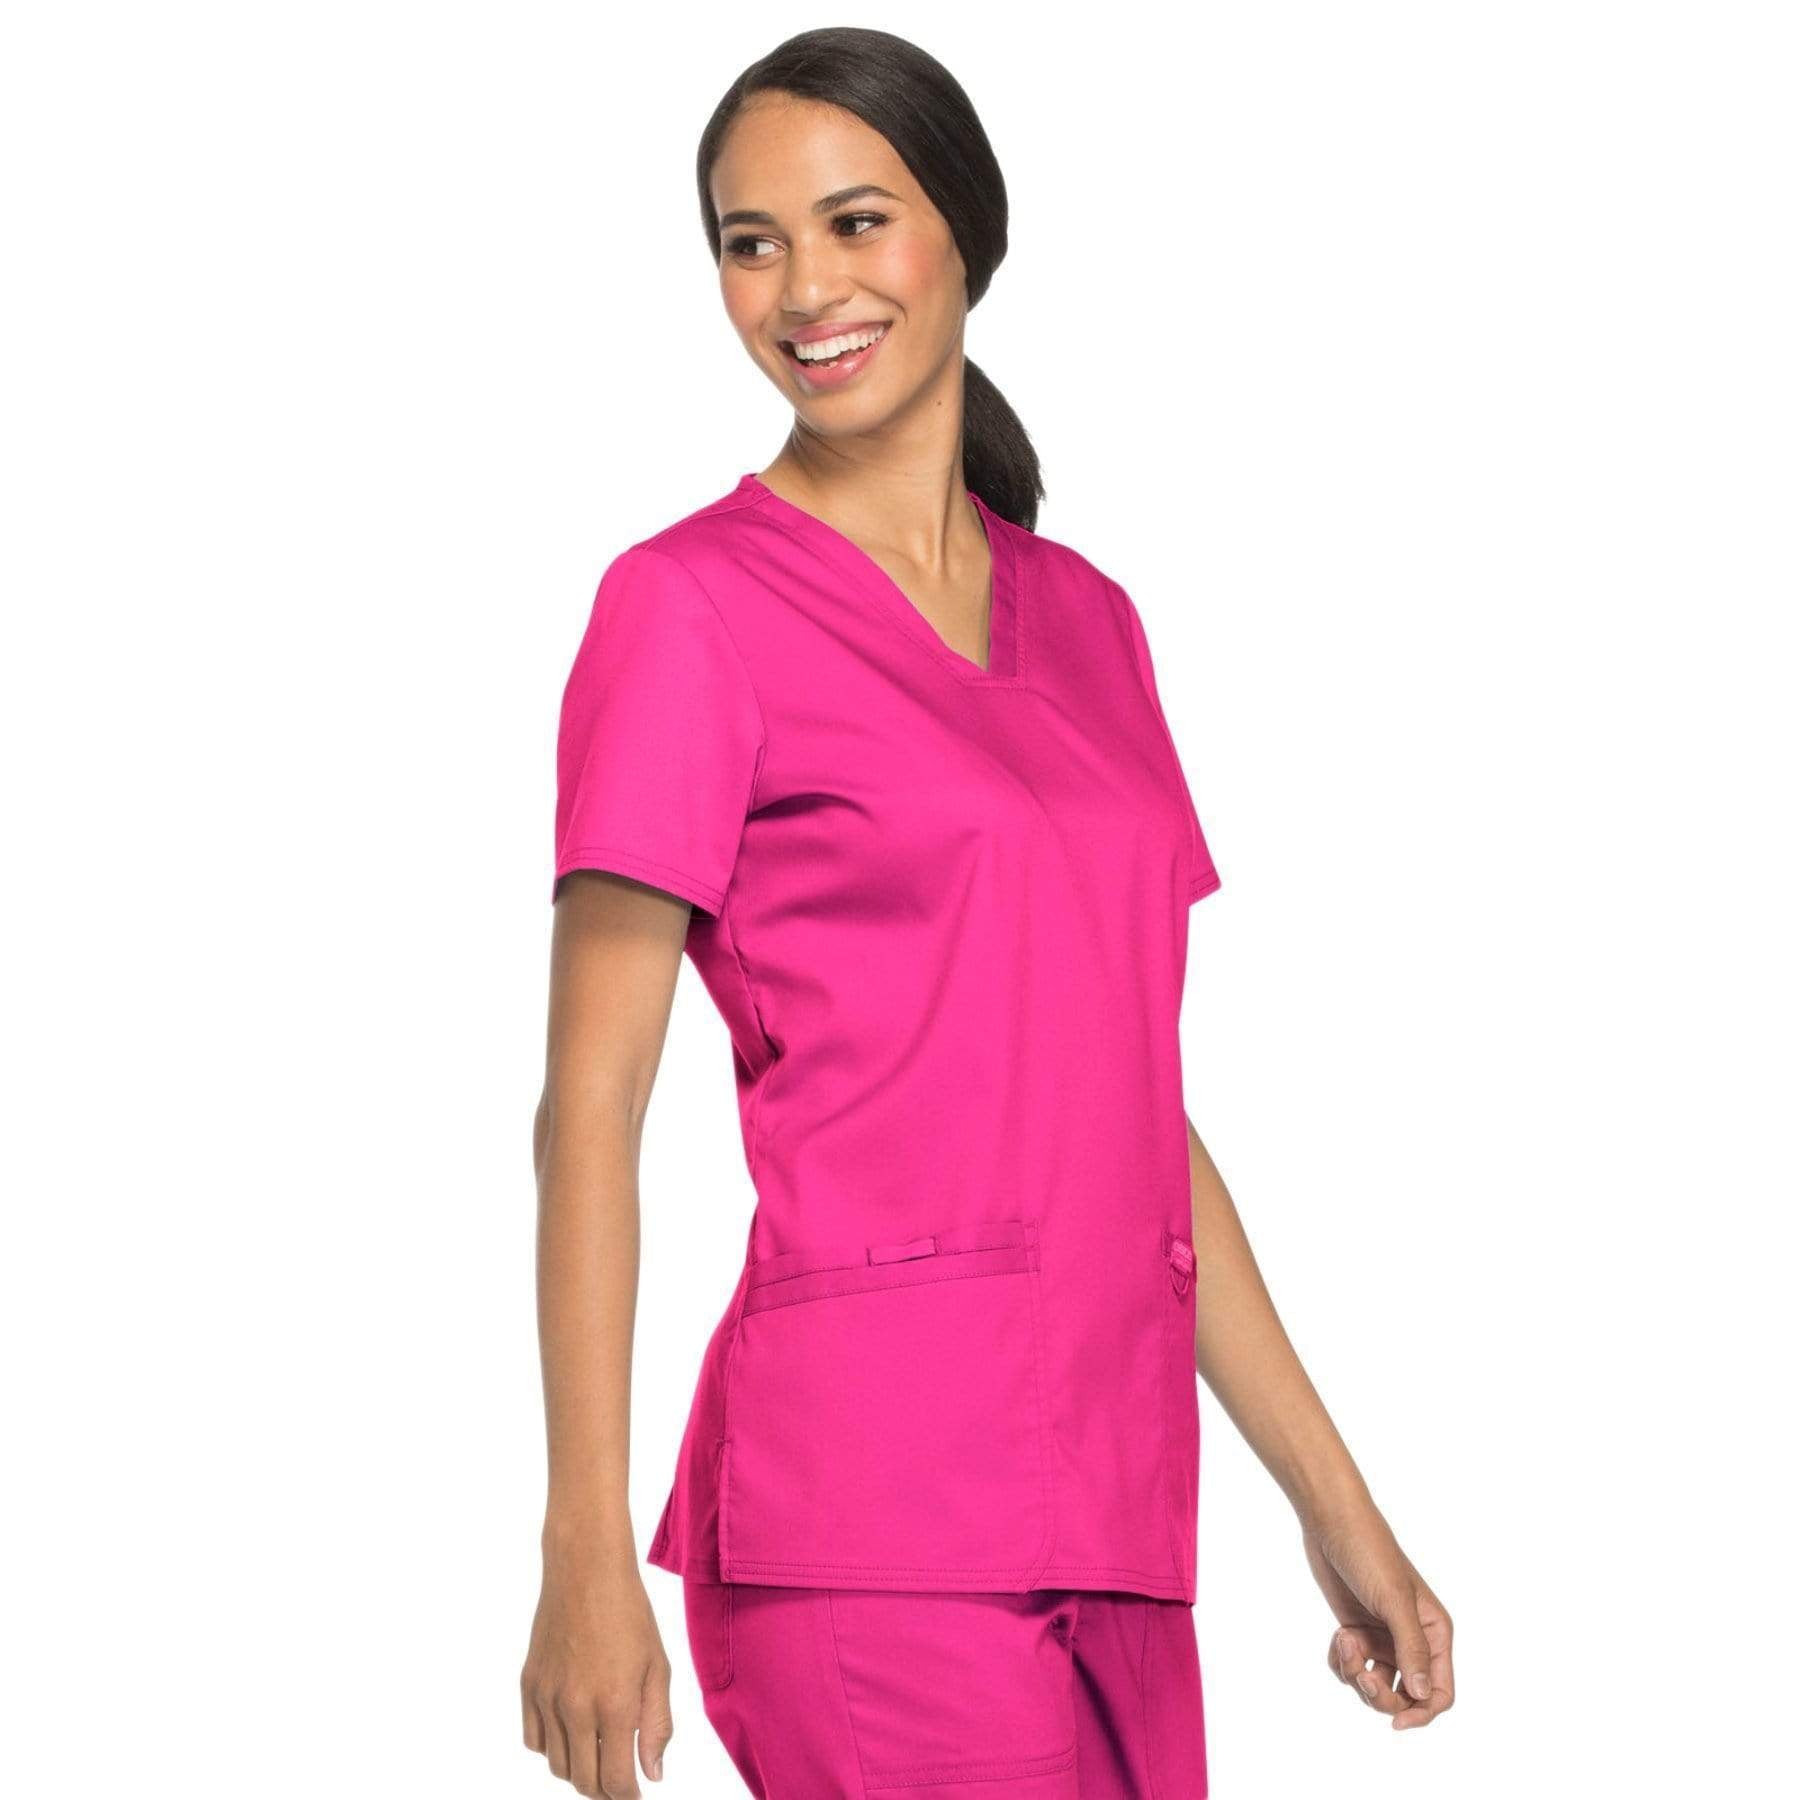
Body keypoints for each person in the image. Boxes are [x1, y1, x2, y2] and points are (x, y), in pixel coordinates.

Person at [520, 26, 1454, 1799]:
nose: (806, 289)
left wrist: (1335, 1505)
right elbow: (590, 1107)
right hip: (867, 1518)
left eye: (856, 221)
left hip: (1119, 1508)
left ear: (968, 232)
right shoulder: (686, 609)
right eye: (750, 242)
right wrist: (581, 1546)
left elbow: (1129, 1112)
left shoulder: (1089, 621)